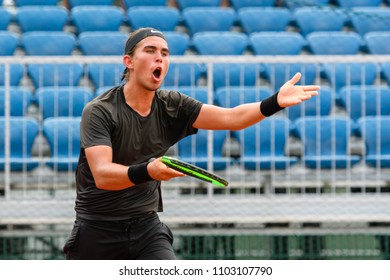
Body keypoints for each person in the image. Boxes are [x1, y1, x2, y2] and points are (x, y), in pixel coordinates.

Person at [63, 27, 320, 260]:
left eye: (164, 53)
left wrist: (275, 101)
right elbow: (103, 175)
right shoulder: (99, 111)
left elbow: (232, 118)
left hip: (147, 228)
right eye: (150, 51)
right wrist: (149, 171)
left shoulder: (172, 105)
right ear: (128, 61)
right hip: (97, 229)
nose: (159, 58)